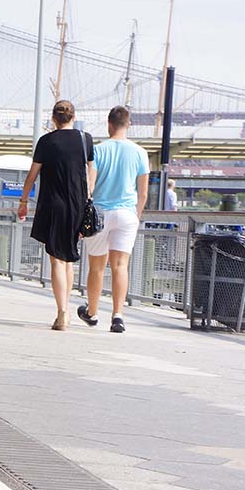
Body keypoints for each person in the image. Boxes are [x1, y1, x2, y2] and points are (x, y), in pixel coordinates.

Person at [19, 100, 95, 331]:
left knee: (56, 259)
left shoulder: (46, 141)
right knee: (68, 258)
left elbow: (32, 176)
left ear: (53, 118)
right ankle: (67, 309)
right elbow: (92, 168)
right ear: (73, 117)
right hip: (77, 204)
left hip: (52, 204)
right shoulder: (85, 139)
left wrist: (23, 202)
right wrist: (88, 193)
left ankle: (62, 313)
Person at [77, 106, 150, 334]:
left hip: (100, 213)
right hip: (127, 214)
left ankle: (92, 313)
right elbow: (144, 193)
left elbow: (89, 185)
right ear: (128, 124)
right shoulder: (140, 152)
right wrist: (136, 216)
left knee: (97, 267)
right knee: (120, 266)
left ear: (109, 124)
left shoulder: (98, 151)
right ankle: (118, 316)